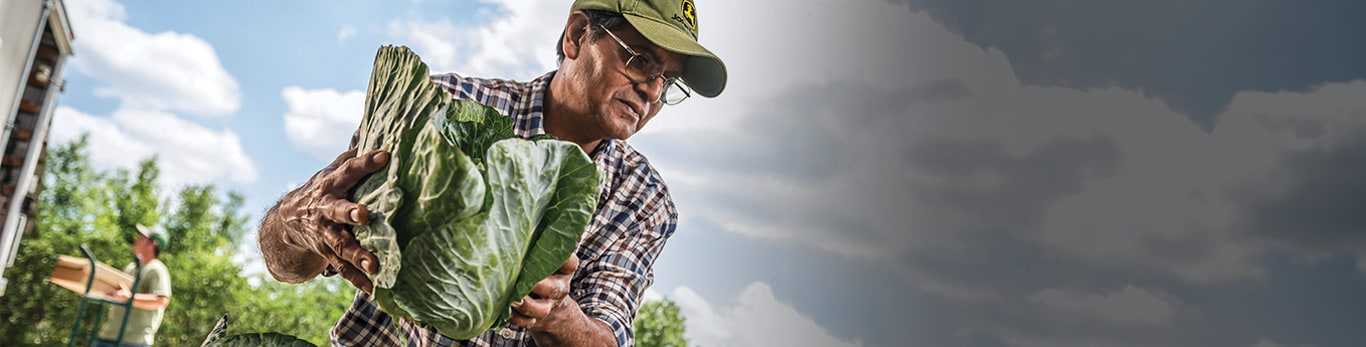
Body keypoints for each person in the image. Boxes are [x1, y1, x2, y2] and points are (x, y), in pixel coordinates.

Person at [257, 0, 726, 345]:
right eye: (639, 59)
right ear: (577, 35)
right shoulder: (440, 107)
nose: (651, 90)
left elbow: (607, 334)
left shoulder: (642, 199)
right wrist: (299, 222)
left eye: (669, 80)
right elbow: (286, 260)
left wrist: (559, 315)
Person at [93, 225, 173, 347]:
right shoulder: (131, 267)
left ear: (153, 244)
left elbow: (161, 300)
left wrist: (129, 298)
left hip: (134, 342)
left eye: (142, 237)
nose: (136, 239)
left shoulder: (156, 269)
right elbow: (120, 295)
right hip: (108, 336)